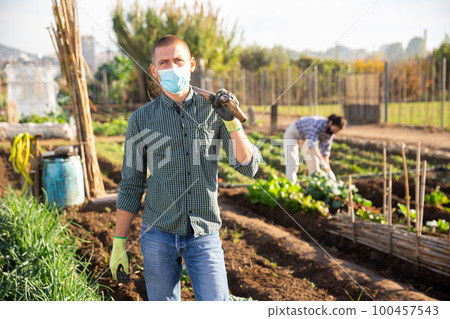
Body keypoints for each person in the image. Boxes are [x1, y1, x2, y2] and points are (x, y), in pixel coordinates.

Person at [109, 35, 262, 301]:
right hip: (157, 235)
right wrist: (119, 242)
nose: (172, 67)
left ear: (191, 64)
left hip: (204, 234)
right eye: (164, 62)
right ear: (154, 70)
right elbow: (132, 184)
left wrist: (232, 124)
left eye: (178, 60)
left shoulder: (215, 109)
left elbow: (249, 168)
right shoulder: (140, 120)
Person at [283, 114, 346, 184]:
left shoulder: (330, 133)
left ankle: (313, 186)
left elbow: (325, 151)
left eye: (336, 131)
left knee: (314, 162)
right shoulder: (317, 124)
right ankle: (291, 185)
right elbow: (313, 145)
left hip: (304, 138)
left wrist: (328, 169)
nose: (334, 132)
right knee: (293, 162)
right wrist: (322, 161)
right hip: (293, 133)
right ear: (331, 123)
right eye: (335, 129)